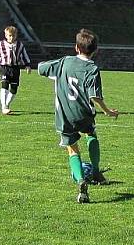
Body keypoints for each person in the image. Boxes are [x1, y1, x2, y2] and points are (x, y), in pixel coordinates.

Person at [37, 28, 119, 203]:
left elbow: (41, 68)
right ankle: (96, 171)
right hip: (84, 114)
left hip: (65, 115)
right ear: (95, 50)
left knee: (72, 148)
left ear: (76, 47)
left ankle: (81, 181)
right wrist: (107, 110)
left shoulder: (64, 62)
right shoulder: (92, 69)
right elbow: (94, 96)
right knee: (91, 134)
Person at [0, 26, 31, 115]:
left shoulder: (20, 45)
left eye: (13, 36)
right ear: (6, 35)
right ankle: (4, 106)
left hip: (15, 68)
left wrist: (27, 65)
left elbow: (25, 55)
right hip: (4, 67)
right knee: (4, 84)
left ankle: (7, 104)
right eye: (9, 36)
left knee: (14, 89)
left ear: (16, 35)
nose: (11, 38)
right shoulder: (1, 44)